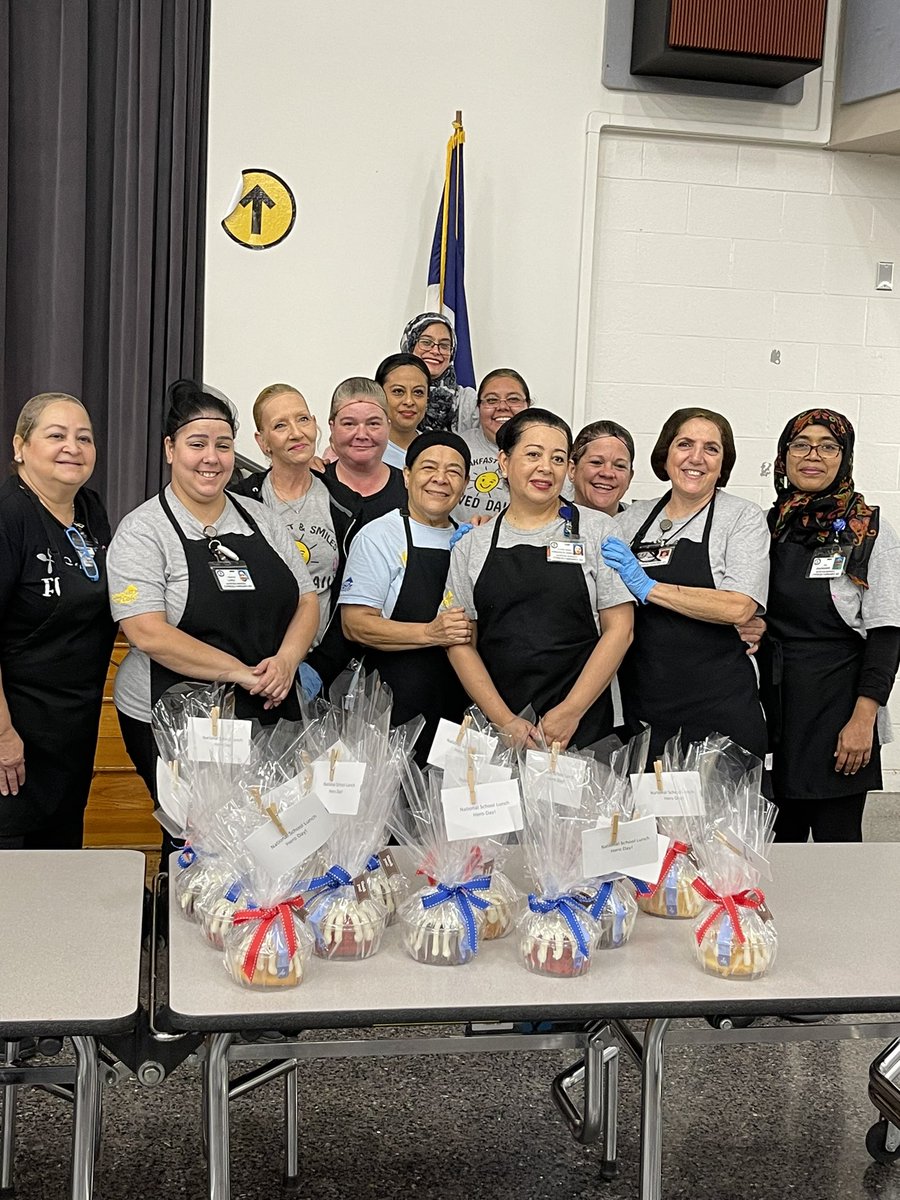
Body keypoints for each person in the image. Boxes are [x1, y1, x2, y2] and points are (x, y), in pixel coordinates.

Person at [107, 381, 319, 822]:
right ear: (170, 448)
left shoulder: (259, 517)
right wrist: (241, 673)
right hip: (175, 715)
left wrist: (285, 661)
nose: (212, 458)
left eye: (223, 445)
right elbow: (147, 632)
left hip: (268, 701)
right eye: (196, 444)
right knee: (198, 837)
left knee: (272, 831)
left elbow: (306, 598)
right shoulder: (144, 531)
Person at [447, 408, 634, 749]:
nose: (546, 468)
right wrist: (504, 720)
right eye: (533, 454)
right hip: (498, 725)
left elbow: (620, 629)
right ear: (504, 461)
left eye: (558, 458)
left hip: (583, 725)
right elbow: (460, 642)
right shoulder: (472, 544)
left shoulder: (597, 530)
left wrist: (571, 711)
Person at [762, 409, 900, 842]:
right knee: (773, 847)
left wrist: (863, 720)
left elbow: (887, 633)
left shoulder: (869, 530)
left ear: (845, 457)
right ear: (783, 457)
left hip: (839, 707)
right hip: (774, 705)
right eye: (800, 445)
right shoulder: (766, 526)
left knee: (835, 847)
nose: (813, 456)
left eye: (828, 446)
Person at [602, 408, 769, 763]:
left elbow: (738, 607)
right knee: (650, 817)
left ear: (723, 465)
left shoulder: (742, 517)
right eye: (685, 444)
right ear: (666, 454)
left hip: (720, 711)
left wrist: (649, 588)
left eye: (711, 449)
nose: (696, 458)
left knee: (723, 818)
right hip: (644, 708)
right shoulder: (630, 519)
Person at [0, 393, 116, 849]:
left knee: (62, 863)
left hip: (72, 730)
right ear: (20, 446)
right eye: (56, 435)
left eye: (83, 438)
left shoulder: (90, 508)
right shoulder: (9, 515)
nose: (73, 446)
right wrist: (4, 735)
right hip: (15, 734)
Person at [340, 432, 472, 761]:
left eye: (454, 471)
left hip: (457, 706)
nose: (441, 479)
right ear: (407, 475)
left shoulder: (471, 540)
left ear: (466, 483)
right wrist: (430, 633)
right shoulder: (378, 537)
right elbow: (355, 625)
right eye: (429, 468)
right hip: (390, 707)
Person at [305, 377, 408, 689]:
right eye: (349, 423)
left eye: (374, 423)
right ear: (332, 426)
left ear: (389, 426)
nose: (362, 434)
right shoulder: (311, 486)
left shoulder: (411, 491)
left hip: (389, 660)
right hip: (313, 656)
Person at [228, 383, 341, 649]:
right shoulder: (239, 502)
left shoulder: (345, 505)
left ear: (315, 424)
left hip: (322, 665)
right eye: (280, 426)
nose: (296, 433)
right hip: (256, 662)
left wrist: (320, 668)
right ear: (262, 441)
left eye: (302, 419)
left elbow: (347, 603)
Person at [454, 369, 531, 521]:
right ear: (478, 408)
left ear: (528, 405)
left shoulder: (545, 450)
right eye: (491, 400)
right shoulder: (456, 447)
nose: (502, 407)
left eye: (513, 399)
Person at [400, 312, 478, 434]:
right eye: (426, 342)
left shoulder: (467, 401)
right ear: (409, 346)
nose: (436, 351)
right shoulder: (388, 394)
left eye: (444, 345)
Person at [375, 354, 430, 469]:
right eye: (398, 391)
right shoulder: (363, 450)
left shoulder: (436, 449)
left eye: (418, 392)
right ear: (379, 395)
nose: (409, 401)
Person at [570, 420, 635, 516]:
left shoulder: (644, 525)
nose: (607, 473)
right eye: (596, 462)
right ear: (572, 470)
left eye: (620, 466)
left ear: (630, 477)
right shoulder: (547, 524)